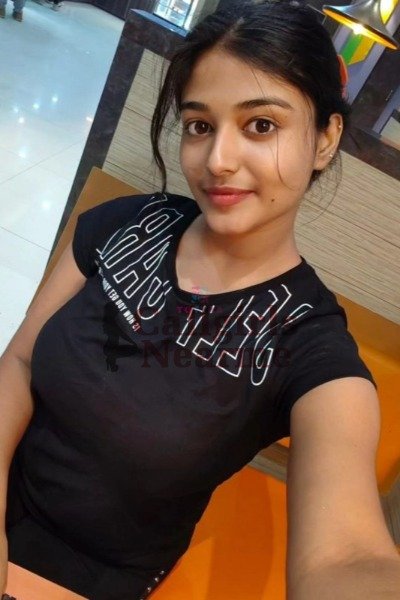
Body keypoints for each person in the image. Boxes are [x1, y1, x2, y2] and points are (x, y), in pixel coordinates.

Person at [1, 1, 400, 598]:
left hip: (86, 576)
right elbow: (20, 361)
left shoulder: (309, 344)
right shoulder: (125, 223)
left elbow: (344, 555)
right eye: (200, 125)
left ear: (325, 139)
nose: (217, 160)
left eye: (260, 125)